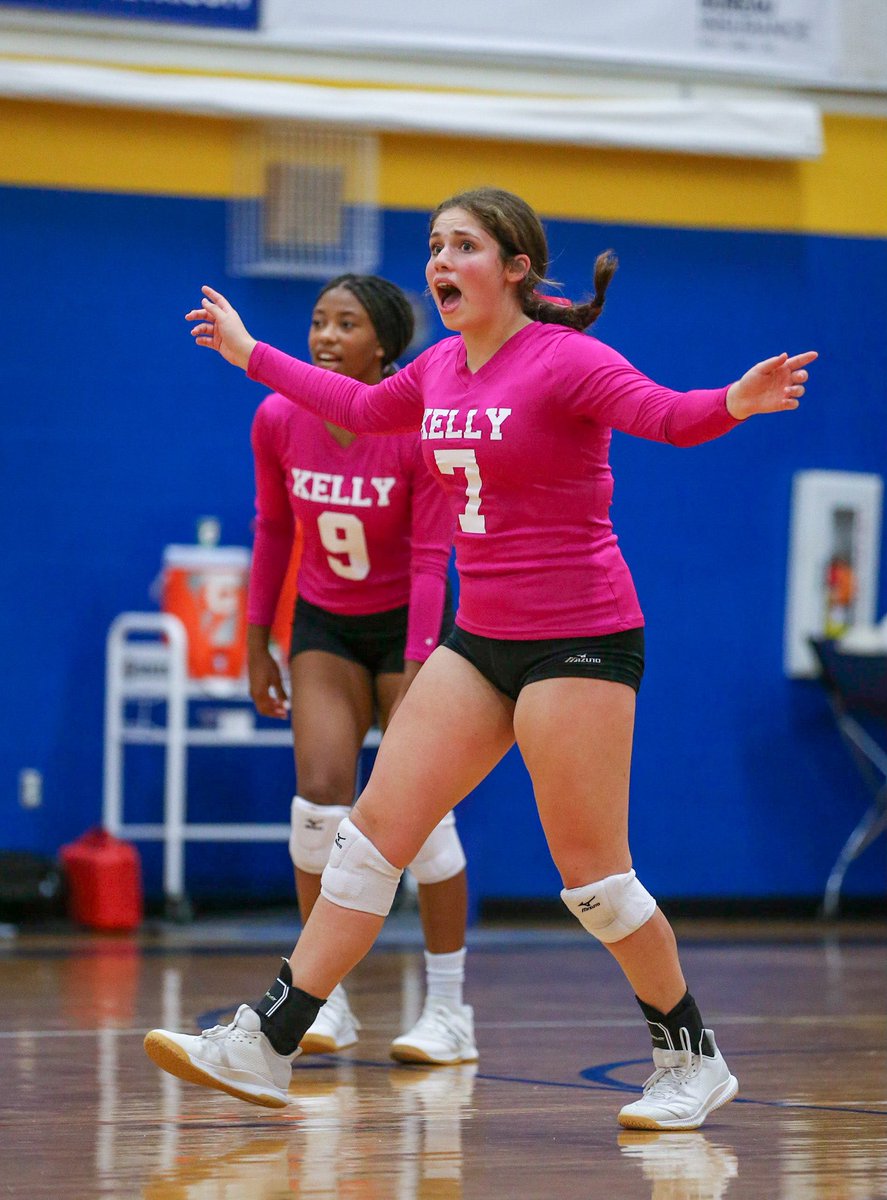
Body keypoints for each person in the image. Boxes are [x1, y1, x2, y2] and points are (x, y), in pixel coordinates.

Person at [145, 186, 816, 1130]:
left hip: (579, 638)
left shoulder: (566, 360)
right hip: (481, 639)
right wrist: (251, 353)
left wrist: (734, 404)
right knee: (369, 837)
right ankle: (268, 1038)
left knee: (593, 882)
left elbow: (664, 414)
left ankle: (689, 1053)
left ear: (514, 269)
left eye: (461, 245)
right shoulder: (438, 371)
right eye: (432, 245)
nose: (439, 261)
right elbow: (360, 403)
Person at [247, 273, 476, 1065]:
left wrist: (416, 665)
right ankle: (326, 1002)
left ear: (383, 345)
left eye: (344, 324)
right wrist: (256, 642)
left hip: (407, 632)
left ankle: (448, 1010)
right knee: (318, 806)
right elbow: (275, 529)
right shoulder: (278, 415)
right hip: (323, 628)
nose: (323, 336)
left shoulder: (417, 429)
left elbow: (428, 558)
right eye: (316, 321)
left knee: (426, 823)